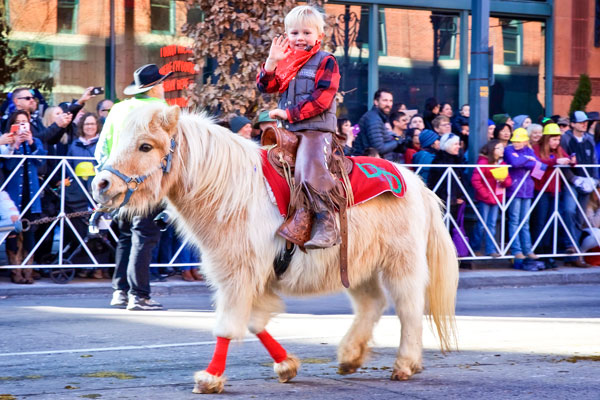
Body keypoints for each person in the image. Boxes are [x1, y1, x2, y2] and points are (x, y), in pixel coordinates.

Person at [257, 5, 343, 248]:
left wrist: (288, 113)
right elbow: (266, 87)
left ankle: (326, 223)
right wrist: (272, 63)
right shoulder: (285, 61)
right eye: (294, 33)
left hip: (316, 128)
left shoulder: (326, 61)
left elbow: (322, 99)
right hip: (290, 129)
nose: (300, 38)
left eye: (307, 33)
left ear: (319, 36)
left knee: (309, 162)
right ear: (286, 35)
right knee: (262, 159)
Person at [95, 64, 172, 310]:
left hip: (119, 180)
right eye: (161, 83)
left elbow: (102, 150)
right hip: (146, 181)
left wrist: (110, 179)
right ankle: (139, 295)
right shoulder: (160, 111)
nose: (163, 87)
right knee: (144, 236)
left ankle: (120, 292)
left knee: (126, 236)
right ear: (153, 88)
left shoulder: (117, 109)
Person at [1, 110, 47, 283]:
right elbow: (9, 165)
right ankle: (15, 271)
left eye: (24, 122)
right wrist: (16, 145)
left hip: (31, 193)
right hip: (13, 195)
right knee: (13, 232)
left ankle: (28, 271)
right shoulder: (9, 144)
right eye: (18, 122)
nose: (22, 125)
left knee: (29, 233)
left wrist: (30, 143)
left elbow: (41, 163)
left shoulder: (36, 141)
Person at [560, 111, 598, 266]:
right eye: (581, 122)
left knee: (580, 216)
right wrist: (573, 179)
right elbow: (563, 160)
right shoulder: (565, 139)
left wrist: (595, 180)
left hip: (587, 182)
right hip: (572, 182)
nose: (584, 124)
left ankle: (575, 253)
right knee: (569, 211)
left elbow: (594, 161)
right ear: (573, 124)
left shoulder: (589, 139)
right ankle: (569, 245)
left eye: (586, 122)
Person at [531, 123, 572, 269]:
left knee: (551, 222)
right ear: (547, 139)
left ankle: (548, 252)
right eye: (554, 139)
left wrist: (571, 161)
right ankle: (538, 251)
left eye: (558, 139)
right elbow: (537, 165)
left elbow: (567, 159)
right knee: (540, 222)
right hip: (541, 190)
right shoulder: (536, 149)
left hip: (555, 191)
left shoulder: (559, 150)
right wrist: (554, 161)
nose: (557, 142)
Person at [503, 127, 546, 265]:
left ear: (526, 141)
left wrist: (524, 159)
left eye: (519, 141)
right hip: (514, 189)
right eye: (515, 141)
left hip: (527, 190)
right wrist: (527, 159)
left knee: (525, 222)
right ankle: (516, 250)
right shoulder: (509, 150)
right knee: (515, 220)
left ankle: (528, 250)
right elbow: (514, 163)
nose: (516, 144)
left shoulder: (529, 150)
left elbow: (538, 165)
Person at [471, 140, 511, 257]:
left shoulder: (502, 164)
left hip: (497, 198)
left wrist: (504, 181)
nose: (502, 150)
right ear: (492, 150)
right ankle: (475, 248)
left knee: (492, 224)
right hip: (486, 198)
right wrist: (486, 195)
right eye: (499, 148)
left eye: (502, 148)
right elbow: (475, 180)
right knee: (481, 224)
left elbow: (508, 181)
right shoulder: (483, 163)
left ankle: (491, 249)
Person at [354, 89, 403, 159]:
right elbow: (379, 148)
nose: (388, 104)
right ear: (376, 102)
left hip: (370, 163)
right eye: (385, 100)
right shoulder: (373, 119)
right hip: (369, 164)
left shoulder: (376, 117)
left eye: (390, 101)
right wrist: (398, 141)